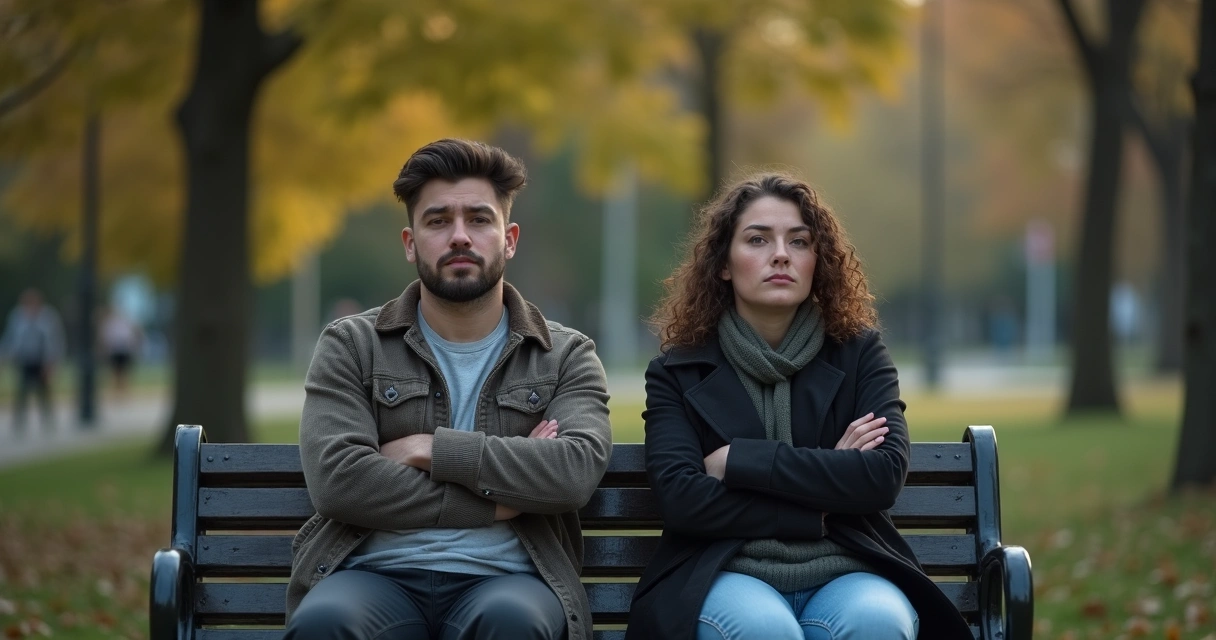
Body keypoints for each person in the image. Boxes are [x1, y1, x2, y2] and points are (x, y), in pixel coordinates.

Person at [284, 139, 613, 640]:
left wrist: (429, 448)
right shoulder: (352, 345)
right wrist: (498, 501)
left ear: (509, 239)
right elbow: (339, 481)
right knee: (324, 624)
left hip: (509, 580)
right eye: (438, 221)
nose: (460, 236)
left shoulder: (564, 354)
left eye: (479, 219)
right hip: (371, 576)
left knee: (514, 624)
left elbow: (571, 472)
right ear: (410, 242)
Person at [626, 173, 973, 639]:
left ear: (817, 260)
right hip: (723, 570)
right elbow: (682, 500)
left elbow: (881, 475)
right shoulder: (677, 370)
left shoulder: (860, 353)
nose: (781, 254)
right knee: (766, 629)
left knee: (877, 621)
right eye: (757, 239)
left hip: (849, 566)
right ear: (723, 263)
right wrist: (820, 493)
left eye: (799, 241)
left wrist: (739, 460)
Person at [0, 288, 65, 434]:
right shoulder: (17, 316)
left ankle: (48, 421)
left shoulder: (48, 317)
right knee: (22, 391)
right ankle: (19, 423)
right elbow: (10, 338)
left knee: (44, 393)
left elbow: (55, 341)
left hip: (42, 360)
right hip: (24, 359)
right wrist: (4, 356)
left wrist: (52, 363)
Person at [99, 305, 142, 396]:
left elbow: (132, 335)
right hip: (115, 350)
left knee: (124, 372)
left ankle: (123, 391)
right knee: (115, 372)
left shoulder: (124, 322)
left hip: (124, 349)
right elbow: (106, 337)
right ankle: (117, 391)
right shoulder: (111, 323)